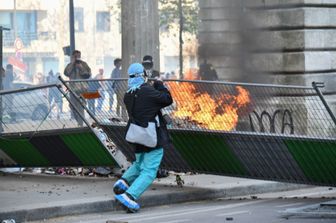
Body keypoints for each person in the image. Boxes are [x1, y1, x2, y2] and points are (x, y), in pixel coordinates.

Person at [113, 63, 173, 213]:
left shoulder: (128, 94)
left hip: (137, 136)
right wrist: (160, 85)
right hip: (151, 136)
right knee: (149, 171)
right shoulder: (147, 91)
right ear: (143, 75)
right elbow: (167, 99)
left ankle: (123, 182)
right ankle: (129, 196)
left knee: (139, 164)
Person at [64, 50, 91, 126]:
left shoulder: (84, 64)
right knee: (72, 106)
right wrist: (73, 64)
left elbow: (88, 75)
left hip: (82, 90)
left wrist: (81, 68)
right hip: (73, 89)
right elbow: (66, 73)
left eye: (78, 56)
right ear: (72, 56)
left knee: (81, 107)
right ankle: (79, 121)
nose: (77, 57)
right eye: (75, 56)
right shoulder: (70, 65)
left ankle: (80, 124)